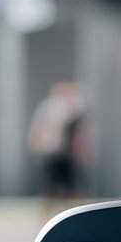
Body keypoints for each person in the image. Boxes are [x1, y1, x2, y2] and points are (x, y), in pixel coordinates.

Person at [28, 81, 87, 221]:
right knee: (51, 187)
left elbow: (79, 134)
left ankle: (79, 215)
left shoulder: (73, 109)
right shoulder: (49, 108)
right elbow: (39, 129)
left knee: (72, 188)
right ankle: (44, 216)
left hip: (66, 155)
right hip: (52, 153)